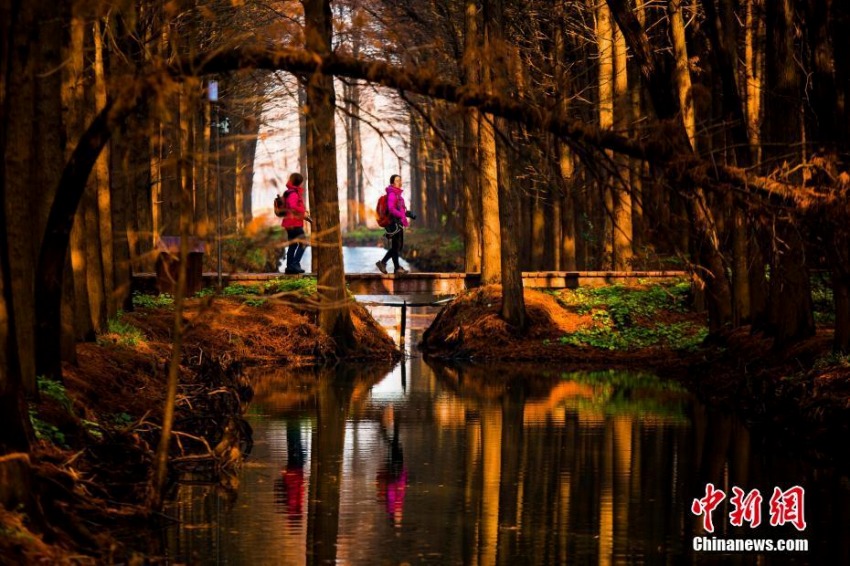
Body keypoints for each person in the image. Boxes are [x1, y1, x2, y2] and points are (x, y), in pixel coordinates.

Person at [376, 174, 416, 275]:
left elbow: (399, 210)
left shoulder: (398, 195)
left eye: (400, 180)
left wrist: (408, 214)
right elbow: (391, 209)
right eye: (397, 180)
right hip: (394, 223)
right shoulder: (392, 194)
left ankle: (384, 263)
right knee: (396, 246)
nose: (399, 182)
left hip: (398, 223)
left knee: (398, 246)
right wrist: (401, 215)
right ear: (392, 183)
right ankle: (396, 268)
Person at [281, 172, 310, 274]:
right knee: (304, 243)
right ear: (299, 182)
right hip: (294, 223)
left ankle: (289, 267)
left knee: (293, 245)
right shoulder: (293, 193)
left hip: (289, 223)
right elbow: (292, 206)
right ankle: (295, 264)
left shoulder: (289, 192)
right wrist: (303, 211)